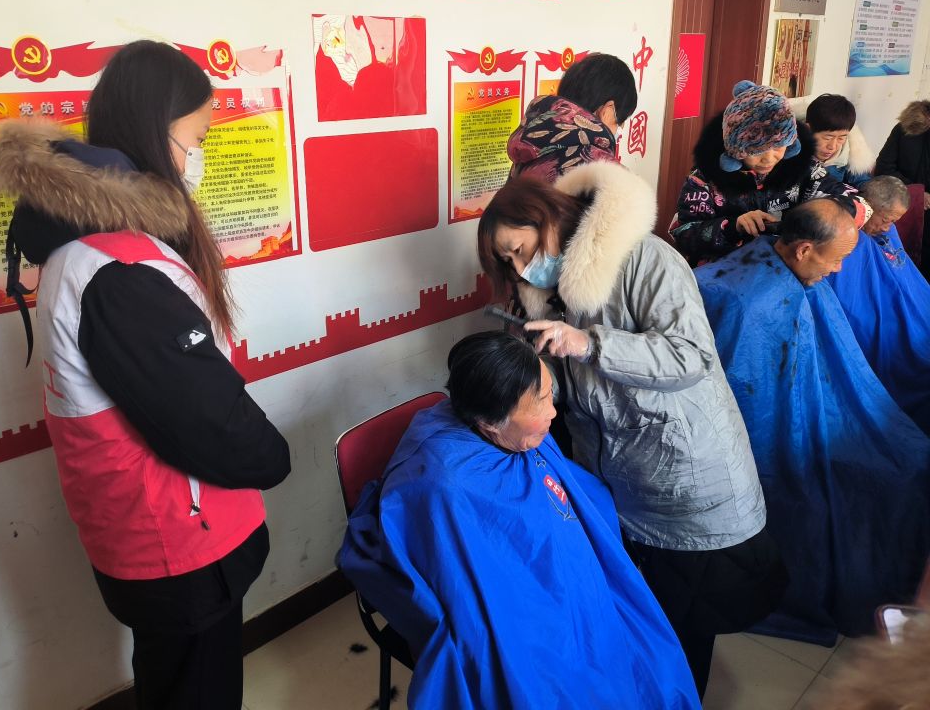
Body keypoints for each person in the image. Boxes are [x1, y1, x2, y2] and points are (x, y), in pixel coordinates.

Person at [0, 41, 291, 710]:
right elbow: (202, 418)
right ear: (156, 132)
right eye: (196, 139)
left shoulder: (89, 251)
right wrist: (274, 458)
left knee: (175, 681)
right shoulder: (118, 268)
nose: (197, 158)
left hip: (157, 531)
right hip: (179, 539)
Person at [476, 160, 786, 698]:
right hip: (622, 479)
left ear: (549, 217)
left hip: (686, 468)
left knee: (687, 625)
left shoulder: (645, 258)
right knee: (648, 618)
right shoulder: (549, 294)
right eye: (508, 262)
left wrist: (588, 342)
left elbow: (690, 356)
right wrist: (533, 376)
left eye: (521, 250)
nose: (521, 269)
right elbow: (574, 391)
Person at [338, 331, 701, 709]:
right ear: (490, 424)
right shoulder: (445, 486)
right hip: (521, 602)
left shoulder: (518, 431)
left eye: (548, 393)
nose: (552, 412)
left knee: (641, 651)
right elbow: (476, 591)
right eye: (540, 402)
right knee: (552, 678)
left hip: (564, 573)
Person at [694, 199, 930, 646]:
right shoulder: (752, 304)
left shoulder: (788, 270)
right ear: (803, 249)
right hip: (771, 444)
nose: (839, 270)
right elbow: (753, 401)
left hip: (823, 411)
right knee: (888, 483)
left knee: (912, 463)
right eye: (836, 259)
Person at [671, 80, 861, 267]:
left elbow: (856, 201)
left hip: (781, 270)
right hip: (722, 274)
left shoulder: (804, 169)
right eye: (757, 151)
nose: (769, 159)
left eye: (778, 147)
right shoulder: (704, 178)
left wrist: (817, 216)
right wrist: (733, 226)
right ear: (734, 149)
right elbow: (683, 234)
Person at [827, 176, 930, 434]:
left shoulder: (885, 230)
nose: (887, 228)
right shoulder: (847, 239)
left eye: (894, 221)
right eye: (885, 219)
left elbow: (906, 277)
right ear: (866, 206)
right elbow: (851, 297)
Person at [507, 53, 634, 182]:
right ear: (608, 111)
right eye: (621, 121)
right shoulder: (611, 177)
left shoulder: (528, 154)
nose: (620, 128)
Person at [875, 99, 930, 276]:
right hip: (902, 209)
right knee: (899, 265)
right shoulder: (907, 127)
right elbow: (883, 167)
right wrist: (916, 193)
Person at [793, 93, 875, 187]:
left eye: (841, 138)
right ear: (808, 129)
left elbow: (865, 186)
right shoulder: (789, 152)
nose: (832, 146)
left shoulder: (851, 157)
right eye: (827, 138)